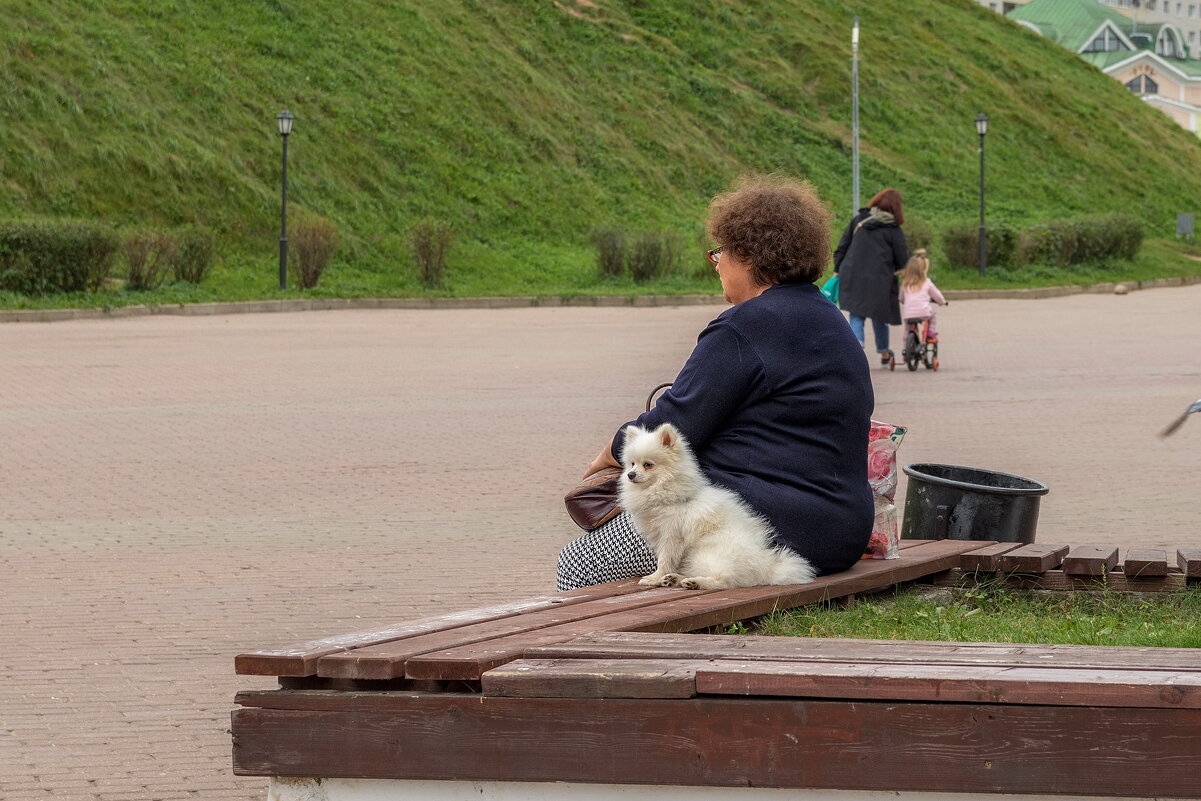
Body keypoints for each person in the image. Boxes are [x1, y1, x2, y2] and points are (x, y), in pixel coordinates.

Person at [557, 175, 875, 591]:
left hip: (762, 526)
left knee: (580, 562)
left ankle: (602, 654)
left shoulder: (745, 326)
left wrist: (610, 455)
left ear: (748, 254)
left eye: (720, 252)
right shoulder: (830, 319)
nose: (717, 263)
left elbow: (677, 422)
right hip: (841, 531)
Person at [833, 188, 909, 366]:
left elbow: (842, 246)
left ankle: (856, 351)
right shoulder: (893, 229)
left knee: (857, 314)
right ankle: (883, 353)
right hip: (880, 279)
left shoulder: (859, 220)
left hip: (853, 274)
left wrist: (838, 268)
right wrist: (895, 270)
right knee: (879, 316)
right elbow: (902, 258)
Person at [899, 249, 947, 340]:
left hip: (908, 314)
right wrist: (942, 302)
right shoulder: (926, 282)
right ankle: (930, 331)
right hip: (924, 313)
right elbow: (936, 295)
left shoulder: (905, 283)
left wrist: (904, 301)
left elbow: (901, 298)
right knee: (933, 314)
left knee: (907, 331)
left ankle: (905, 352)